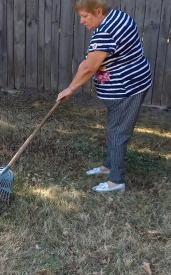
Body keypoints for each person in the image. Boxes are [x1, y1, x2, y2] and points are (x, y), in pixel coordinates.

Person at [56, 0, 152, 192]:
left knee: (118, 133)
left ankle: (116, 181)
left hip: (127, 88)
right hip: (134, 79)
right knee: (114, 127)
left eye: (85, 16)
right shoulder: (119, 16)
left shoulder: (106, 32)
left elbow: (89, 67)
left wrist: (70, 89)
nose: (82, 21)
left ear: (98, 11)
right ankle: (109, 166)